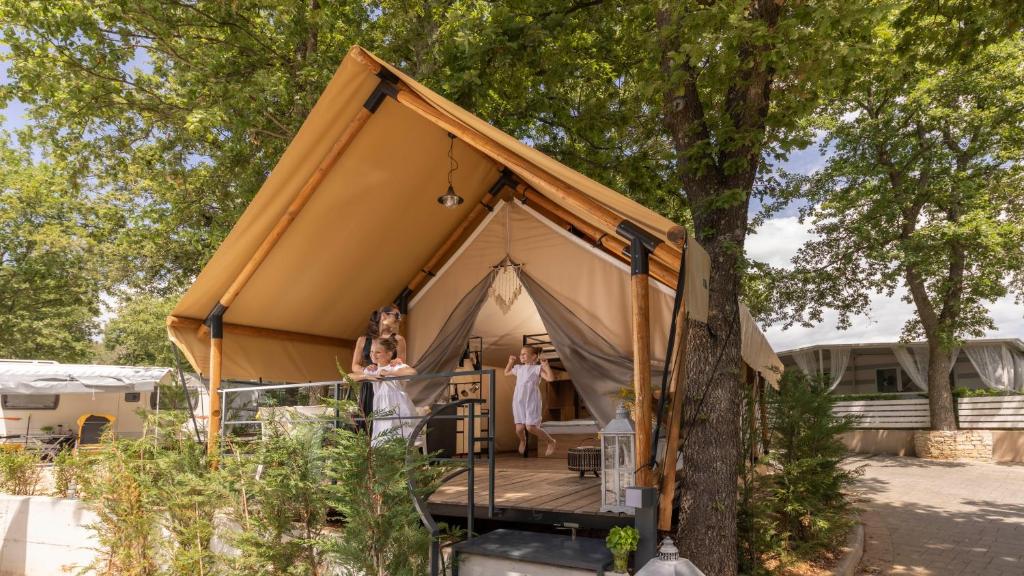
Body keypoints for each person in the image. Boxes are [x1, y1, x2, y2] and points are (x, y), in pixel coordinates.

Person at [350, 305, 407, 430]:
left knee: (387, 429)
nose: (399, 319)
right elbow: (354, 366)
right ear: (384, 316)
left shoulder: (399, 340)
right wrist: (367, 371)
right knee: (365, 427)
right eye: (396, 315)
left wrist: (398, 362)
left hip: (388, 388)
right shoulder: (362, 340)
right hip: (368, 386)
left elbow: (402, 366)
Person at [352, 336, 418, 443]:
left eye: (378, 352)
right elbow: (347, 377)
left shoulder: (395, 366)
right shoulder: (372, 370)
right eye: (371, 351)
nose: (373, 354)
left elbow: (412, 372)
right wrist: (366, 376)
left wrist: (389, 373)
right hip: (381, 406)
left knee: (403, 437)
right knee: (383, 436)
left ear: (389, 354)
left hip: (398, 405)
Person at [505, 345, 557, 457]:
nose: (521, 356)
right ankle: (523, 441)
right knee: (519, 429)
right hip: (519, 400)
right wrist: (510, 362)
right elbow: (506, 372)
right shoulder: (519, 368)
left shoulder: (536, 369)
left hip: (531, 400)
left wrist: (546, 366)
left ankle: (551, 441)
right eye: (521, 354)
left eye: (524, 354)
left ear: (534, 357)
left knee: (530, 427)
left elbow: (550, 378)